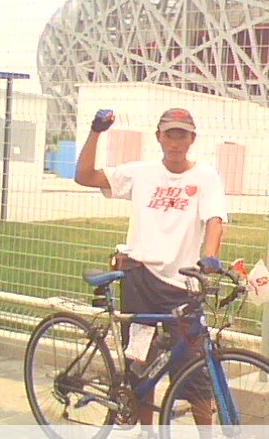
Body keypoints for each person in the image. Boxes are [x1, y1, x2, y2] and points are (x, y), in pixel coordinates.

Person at [75, 107, 228, 434]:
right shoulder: (141, 173)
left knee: (194, 372)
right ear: (159, 137)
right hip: (139, 279)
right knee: (140, 362)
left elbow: (215, 220)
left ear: (192, 139)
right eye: (169, 135)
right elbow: (85, 176)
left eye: (182, 135)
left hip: (182, 286)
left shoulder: (205, 177)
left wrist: (210, 258)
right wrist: (96, 131)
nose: (175, 142)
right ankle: (146, 432)